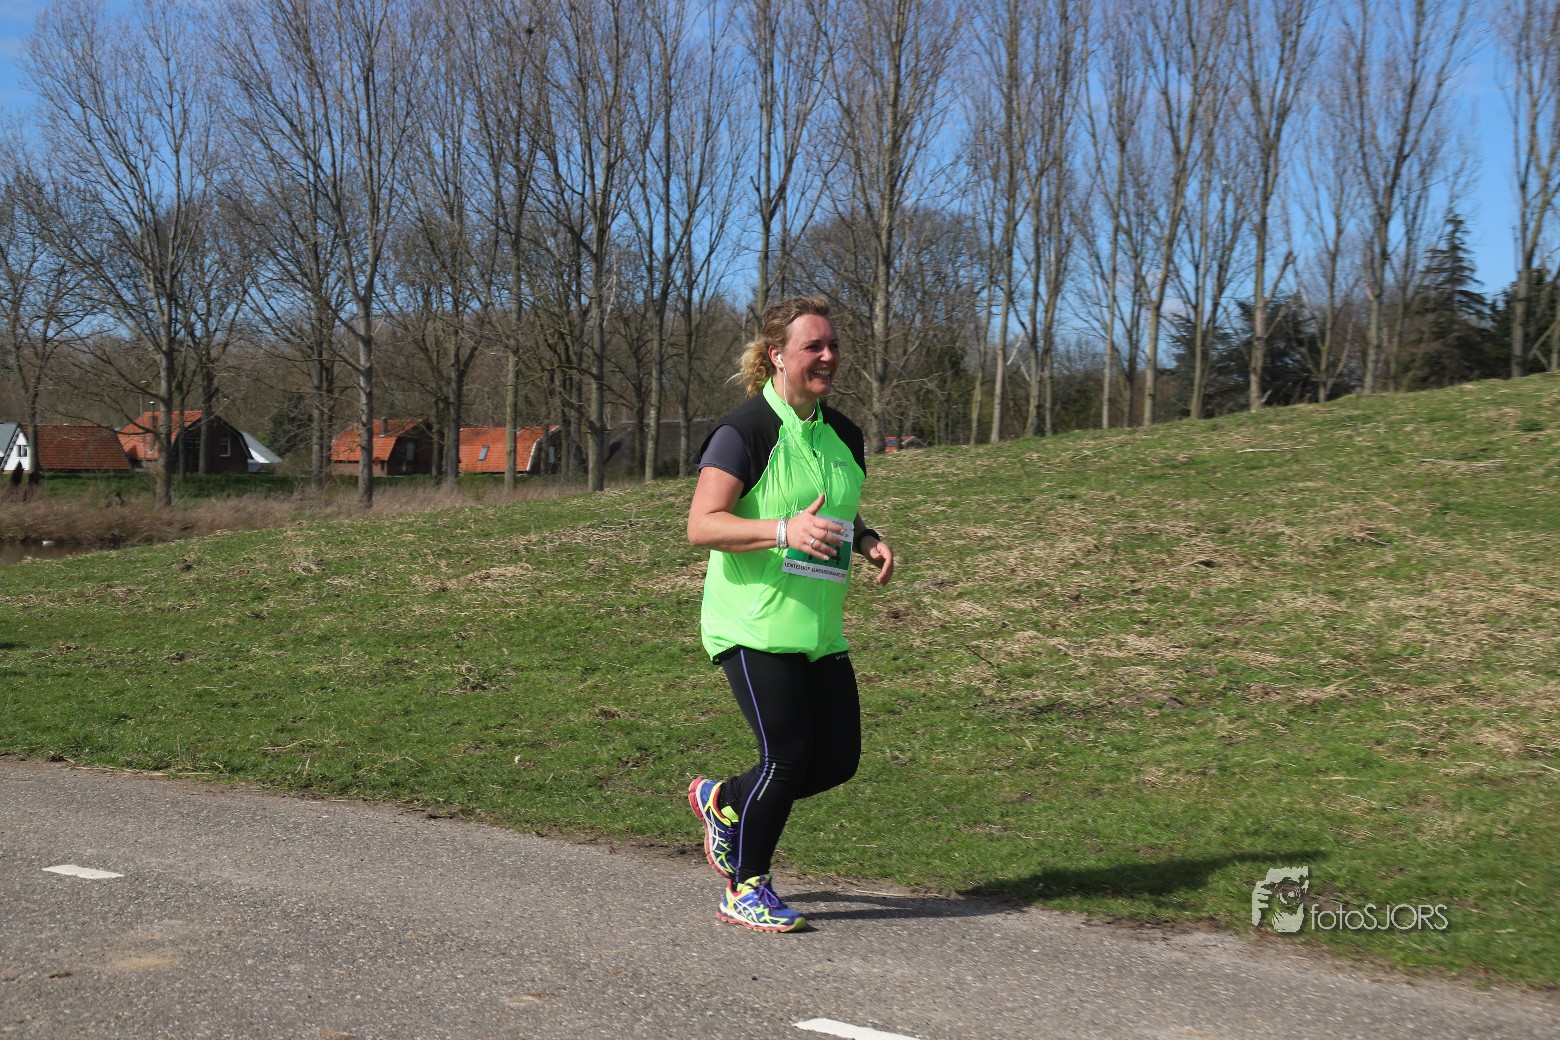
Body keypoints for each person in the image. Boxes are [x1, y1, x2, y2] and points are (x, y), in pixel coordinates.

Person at [685, 295, 895, 933]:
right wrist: (781, 531)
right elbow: (702, 525)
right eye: (814, 347)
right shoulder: (745, 431)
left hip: (819, 627)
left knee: (837, 760)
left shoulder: (845, 434)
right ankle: (746, 887)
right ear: (777, 355)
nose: (829, 357)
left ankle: (726, 802)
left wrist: (864, 537)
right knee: (788, 753)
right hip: (752, 622)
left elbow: (832, 505)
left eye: (833, 345)